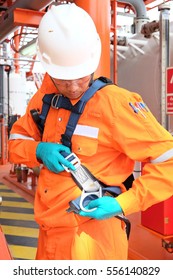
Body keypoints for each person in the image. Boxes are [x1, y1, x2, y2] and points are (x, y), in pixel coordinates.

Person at [8, 3, 173, 260]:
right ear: (48, 68)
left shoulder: (117, 103)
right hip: (49, 237)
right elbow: (16, 144)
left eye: (80, 76)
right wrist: (38, 150)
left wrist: (123, 203)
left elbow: (169, 161)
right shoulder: (44, 98)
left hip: (95, 242)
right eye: (64, 79)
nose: (73, 86)